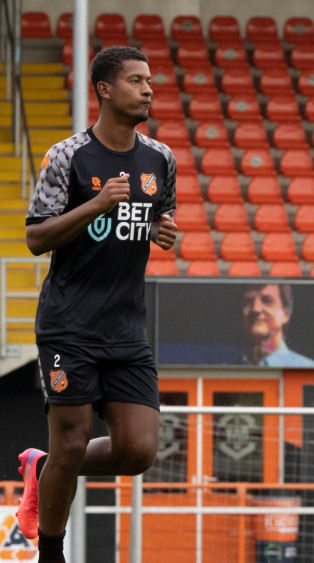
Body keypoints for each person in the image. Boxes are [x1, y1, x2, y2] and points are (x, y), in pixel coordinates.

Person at [16, 46, 178, 563]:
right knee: (71, 440)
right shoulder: (68, 156)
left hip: (127, 329)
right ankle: (51, 552)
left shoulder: (161, 158)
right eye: (136, 81)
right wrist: (95, 204)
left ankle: (44, 469)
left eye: (149, 80)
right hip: (69, 326)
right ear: (105, 90)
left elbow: (150, 217)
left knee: (138, 451)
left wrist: (160, 230)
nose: (148, 89)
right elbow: (37, 239)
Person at [241, 283, 314, 367]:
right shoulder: (228, 364)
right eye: (248, 302)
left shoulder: (310, 369)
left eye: (267, 301)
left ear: (286, 314)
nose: (255, 309)